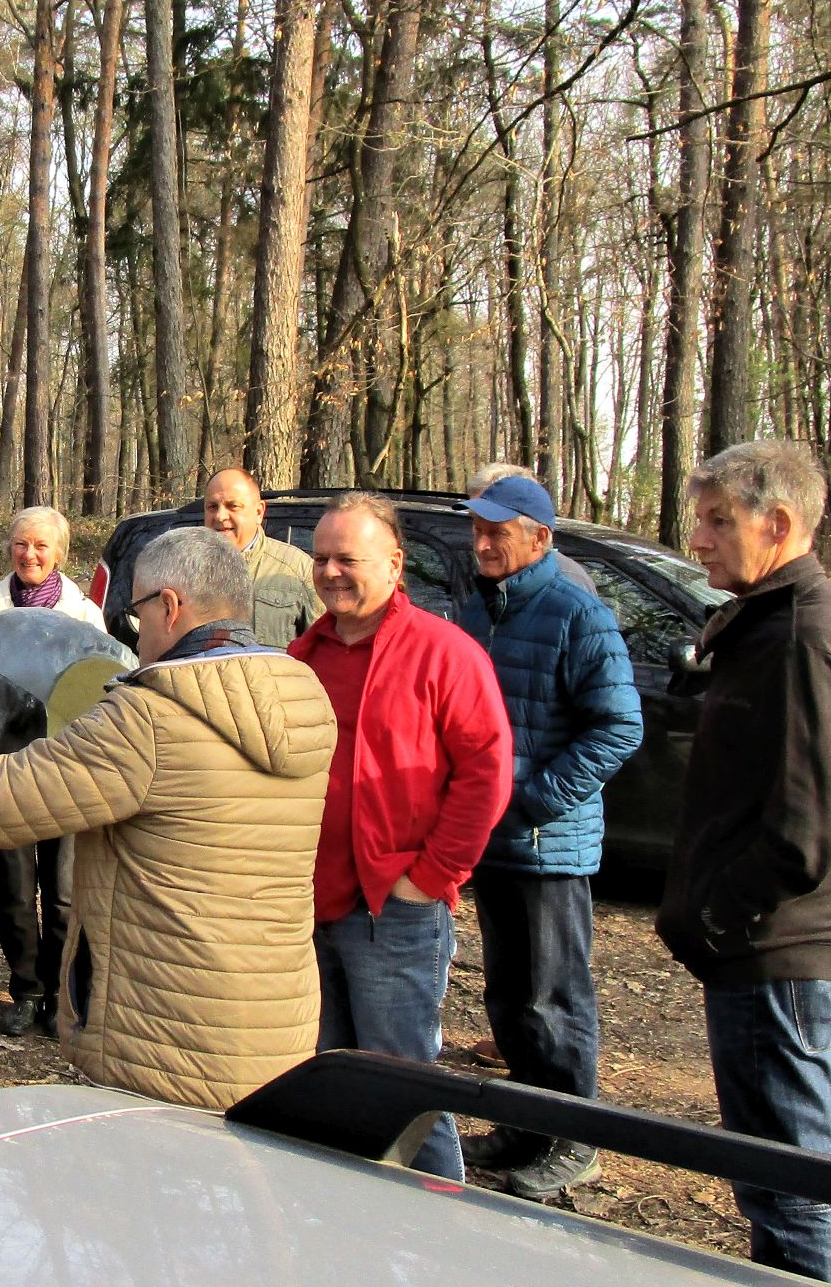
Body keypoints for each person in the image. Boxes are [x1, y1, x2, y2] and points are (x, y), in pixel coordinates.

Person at [0, 526, 336, 1108]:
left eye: (138, 609)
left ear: (170, 606)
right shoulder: (303, 697)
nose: (134, 627)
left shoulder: (146, 718)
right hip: (276, 1029)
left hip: (163, 1035)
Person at [657, 440, 831, 1284]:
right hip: (780, 947)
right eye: (701, 520)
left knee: (784, 1181)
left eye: (718, 521)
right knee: (827, 1161)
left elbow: (806, 830)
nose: (701, 540)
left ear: (778, 523)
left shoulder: (801, 637)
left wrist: (715, 917)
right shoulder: (774, 626)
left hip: (776, 950)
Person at [288, 492, 512, 1181]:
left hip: (395, 911)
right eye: (320, 558)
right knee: (322, 1084)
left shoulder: (444, 654)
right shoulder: (300, 656)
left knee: (405, 1091)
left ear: (393, 564)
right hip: (308, 908)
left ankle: (441, 1225)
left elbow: (486, 774)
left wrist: (429, 879)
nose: (329, 572)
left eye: (346, 559)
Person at [455, 474, 642, 1200]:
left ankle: (574, 1140)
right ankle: (526, 1122)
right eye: (477, 529)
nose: (481, 542)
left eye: (496, 531)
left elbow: (618, 726)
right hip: (489, 839)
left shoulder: (575, 612)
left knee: (552, 999)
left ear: (538, 538)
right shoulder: (478, 609)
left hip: (545, 844)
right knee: (508, 995)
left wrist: (533, 801)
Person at [0, 506, 102, 1037]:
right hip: (8, 771)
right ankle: (25, 991)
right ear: (9, 549)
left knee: (65, 893)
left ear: (61, 554)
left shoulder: (86, 616)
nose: (31, 555)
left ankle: (60, 997)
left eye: (42, 546)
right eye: (22, 544)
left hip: (68, 771)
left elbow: (107, 691)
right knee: (16, 892)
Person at [200, 467, 321, 648]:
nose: (220, 516)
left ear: (259, 512)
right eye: (212, 507)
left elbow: (324, 651)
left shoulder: (297, 571)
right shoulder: (184, 570)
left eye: (233, 506)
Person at [465, 463, 595, 594]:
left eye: (497, 530)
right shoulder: (489, 592)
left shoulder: (570, 589)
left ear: (539, 537)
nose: (480, 546)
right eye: (477, 525)